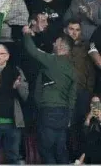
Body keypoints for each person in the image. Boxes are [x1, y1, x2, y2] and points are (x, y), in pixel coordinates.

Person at [22, 24, 77, 165]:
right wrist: (69, 115)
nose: (53, 43)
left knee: (46, 150)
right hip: (64, 114)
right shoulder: (72, 69)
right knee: (61, 150)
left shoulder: (52, 60)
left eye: (56, 42)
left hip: (48, 112)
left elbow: (32, 50)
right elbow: (73, 96)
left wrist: (27, 34)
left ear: (62, 46)